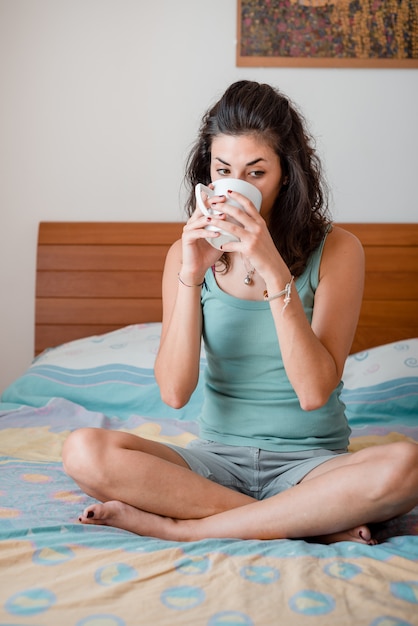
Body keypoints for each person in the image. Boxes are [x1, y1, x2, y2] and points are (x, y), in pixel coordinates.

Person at [62, 80, 418, 544]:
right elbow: (174, 392)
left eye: (256, 172)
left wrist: (275, 273)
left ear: (286, 174)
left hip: (313, 465)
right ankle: (310, 524)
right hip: (213, 464)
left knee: (405, 466)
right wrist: (191, 274)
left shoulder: (339, 251)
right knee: (84, 450)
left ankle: (182, 529)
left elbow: (313, 393)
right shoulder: (184, 255)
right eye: (223, 169)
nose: (236, 186)